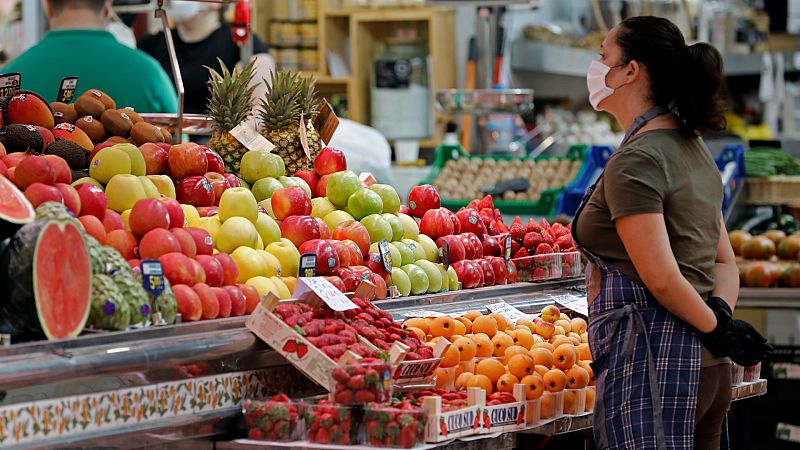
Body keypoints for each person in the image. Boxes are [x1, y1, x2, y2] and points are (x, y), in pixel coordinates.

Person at [571, 16, 771, 450]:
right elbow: (723, 262)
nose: (596, 66)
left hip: (656, 367)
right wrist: (721, 321)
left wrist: (718, 328)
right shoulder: (691, 146)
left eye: (603, 56)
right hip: (707, 371)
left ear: (630, 70)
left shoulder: (638, 160)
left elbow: (661, 278)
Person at [2, 0, 177, 113]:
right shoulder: (150, 74)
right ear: (108, 6)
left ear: (47, 6)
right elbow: (178, 141)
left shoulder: (10, 75)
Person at [138, 0, 274, 115]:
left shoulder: (242, 43)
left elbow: (261, 89)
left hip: (217, 136)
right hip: (162, 135)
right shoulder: (150, 44)